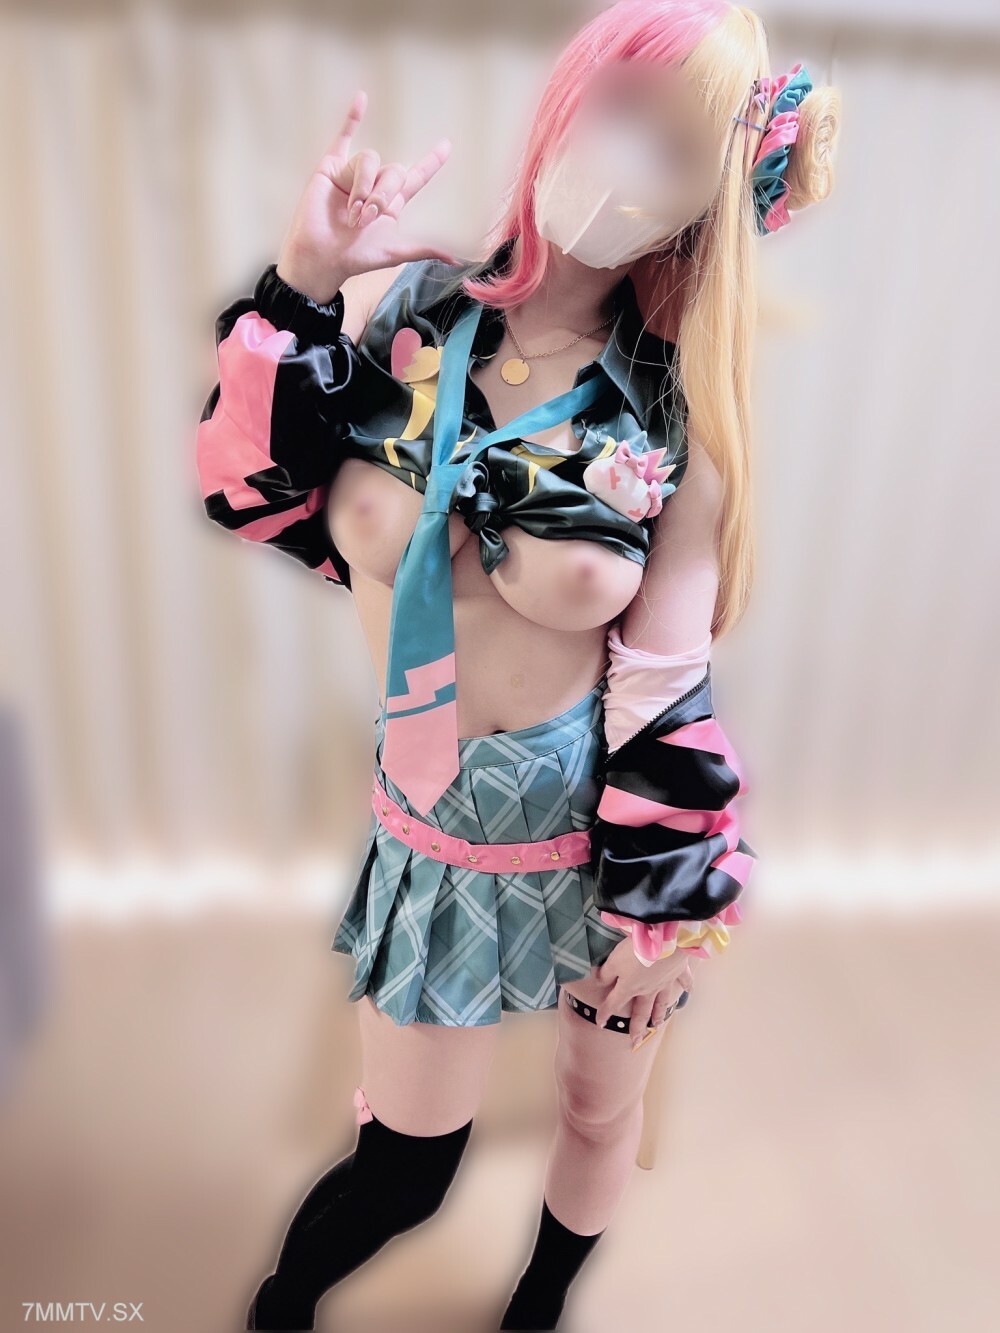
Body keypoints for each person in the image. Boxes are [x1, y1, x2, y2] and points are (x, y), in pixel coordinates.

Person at [195, 2, 840, 1328]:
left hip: (602, 844)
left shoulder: (675, 413)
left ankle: (536, 1312)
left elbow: (664, 676)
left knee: (598, 1115)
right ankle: (279, 1309)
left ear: (708, 202)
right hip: (434, 828)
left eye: (677, 147)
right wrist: (302, 283)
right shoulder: (406, 316)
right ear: (566, 92)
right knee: (405, 1166)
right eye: (620, 105)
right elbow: (248, 489)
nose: (626, 158)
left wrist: (664, 911)